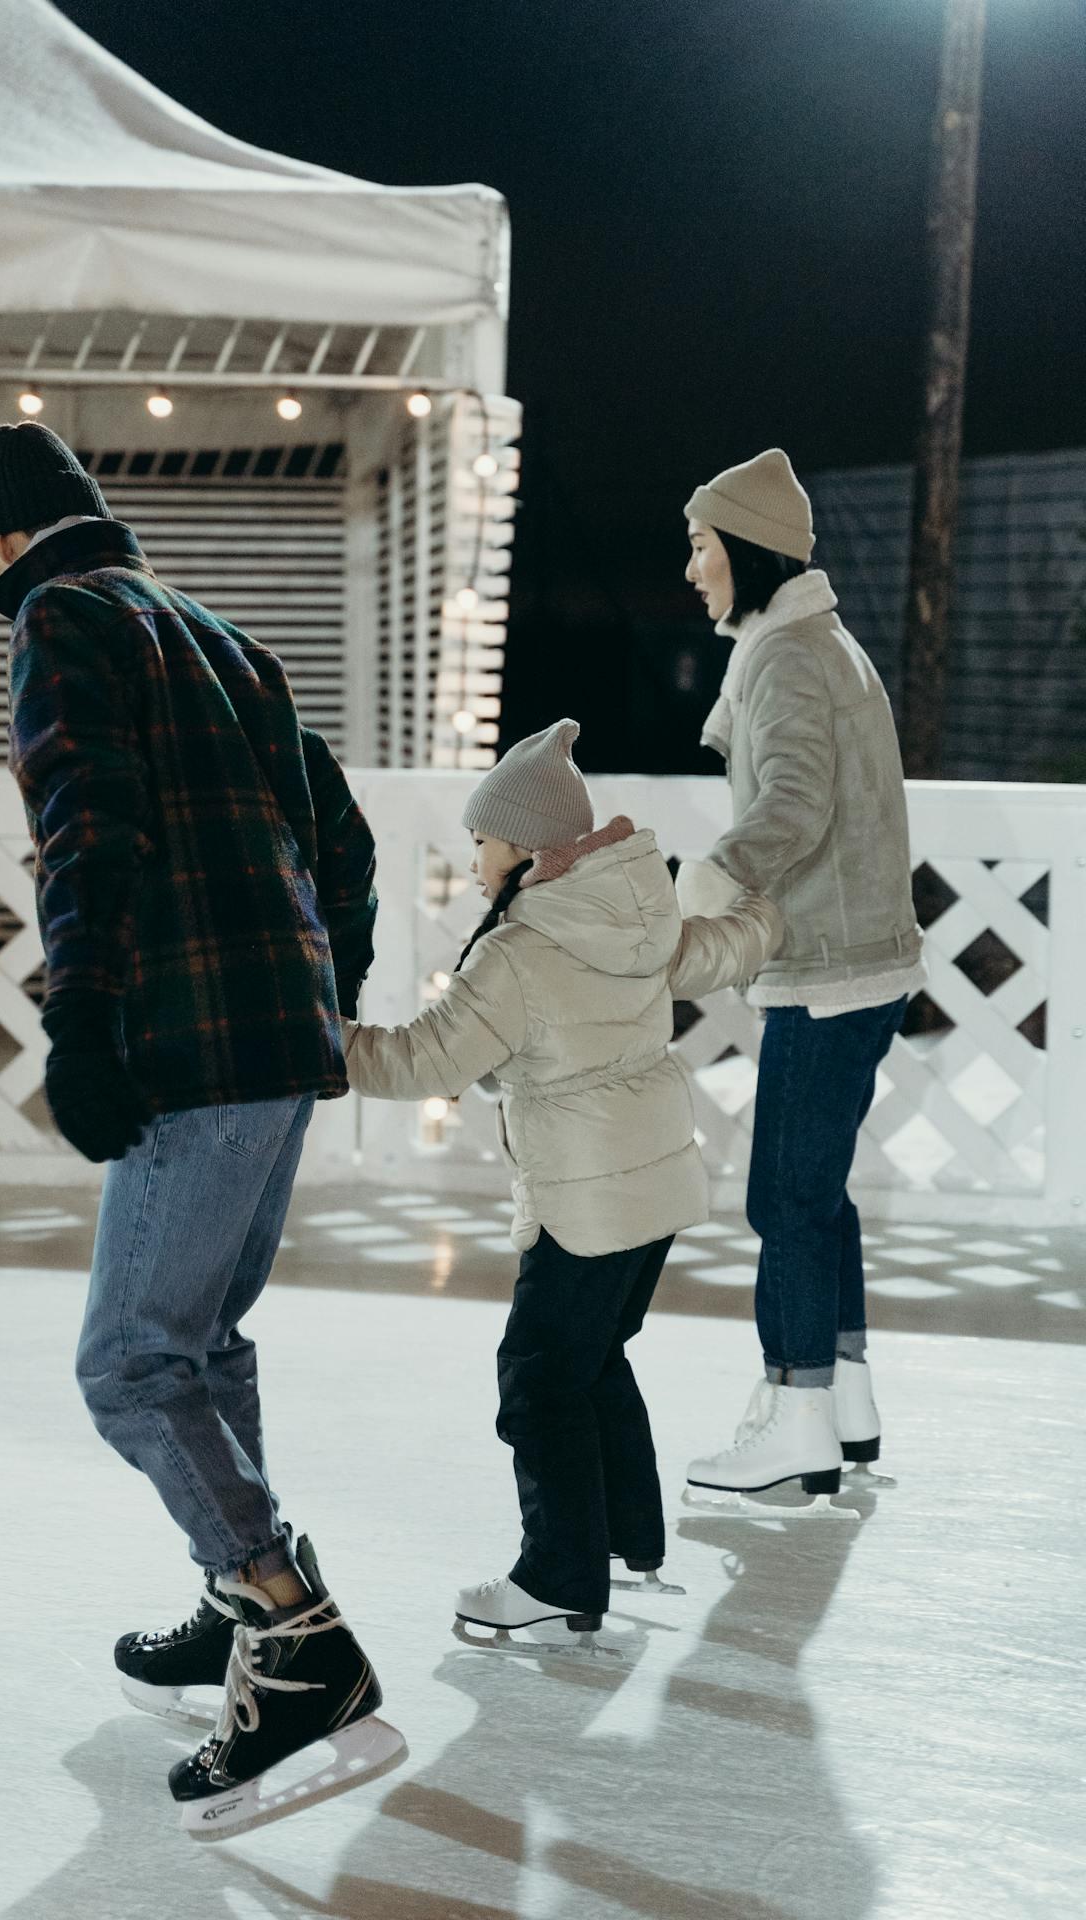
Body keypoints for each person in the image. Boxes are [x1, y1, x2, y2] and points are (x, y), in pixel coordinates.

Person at [0, 420, 403, 1839]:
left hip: (185, 1042)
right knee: (203, 1341)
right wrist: (314, 985)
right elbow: (343, 842)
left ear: (13, 545)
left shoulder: (58, 618)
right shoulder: (233, 644)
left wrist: (80, 1015)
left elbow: (86, 823)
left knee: (131, 1361)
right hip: (279, 1044)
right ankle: (237, 1605)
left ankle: (297, 1631)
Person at [342, 719, 780, 1637]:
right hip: (652, 1189)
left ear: (527, 849)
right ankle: (625, 1537)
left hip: (586, 1200)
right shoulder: (634, 913)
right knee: (593, 1358)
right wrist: (771, 914)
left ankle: (558, 1576)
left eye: (481, 843)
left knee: (538, 1378)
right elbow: (719, 949)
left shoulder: (520, 953)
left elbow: (423, 1059)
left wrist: (316, 1040)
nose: (472, 864)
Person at [676, 448, 926, 1505]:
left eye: (697, 546)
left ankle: (795, 1418)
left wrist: (712, 878)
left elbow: (791, 804)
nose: (690, 570)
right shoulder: (822, 643)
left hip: (825, 969)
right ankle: (844, 1398)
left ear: (742, 546)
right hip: (863, 960)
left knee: (779, 1197)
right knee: (813, 1195)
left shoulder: (785, 658)